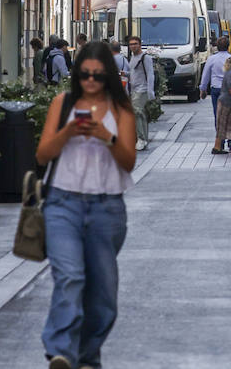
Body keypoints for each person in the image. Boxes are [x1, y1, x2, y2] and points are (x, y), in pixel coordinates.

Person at [35, 40, 136, 369]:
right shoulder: (62, 103)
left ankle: (87, 355)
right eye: (84, 74)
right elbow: (42, 154)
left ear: (107, 75)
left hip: (107, 208)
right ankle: (61, 351)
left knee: (104, 296)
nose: (90, 80)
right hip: (62, 204)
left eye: (97, 75)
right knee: (70, 277)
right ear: (77, 73)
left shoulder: (120, 110)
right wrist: (67, 133)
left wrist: (105, 136)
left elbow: (129, 161)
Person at [126, 35, 155, 152]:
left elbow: (150, 74)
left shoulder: (145, 58)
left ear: (140, 45)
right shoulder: (132, 58)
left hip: (142, 89)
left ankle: (141, 138)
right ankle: (143, 139)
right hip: (134, 90)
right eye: (131, 44)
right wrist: (125, 74)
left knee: (137, 112)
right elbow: (132, 73)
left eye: (135, 44)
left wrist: (150, 91)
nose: (133, 46)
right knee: (140, 114)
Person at [200, 35, 231, 130]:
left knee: (217, 114)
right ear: (228, 46)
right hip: (229, 90)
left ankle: (220, 138)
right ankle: (230, 136)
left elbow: (205, 75)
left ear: (217, 46)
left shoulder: (212, 59)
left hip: (216, 89)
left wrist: (203, 89)